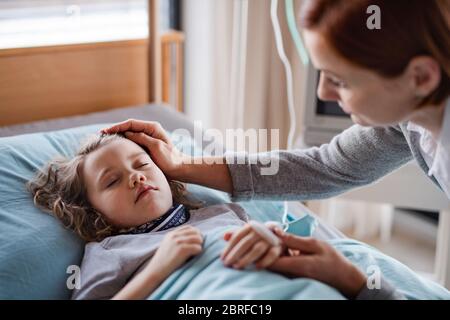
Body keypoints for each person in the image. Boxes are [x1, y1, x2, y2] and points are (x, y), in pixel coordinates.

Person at [102, 0, 449, 297]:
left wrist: (356, 283)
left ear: (420, 77)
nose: (324, 93)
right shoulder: (408, 121)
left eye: (340, 80)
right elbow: (325, 167)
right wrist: (180, 163)